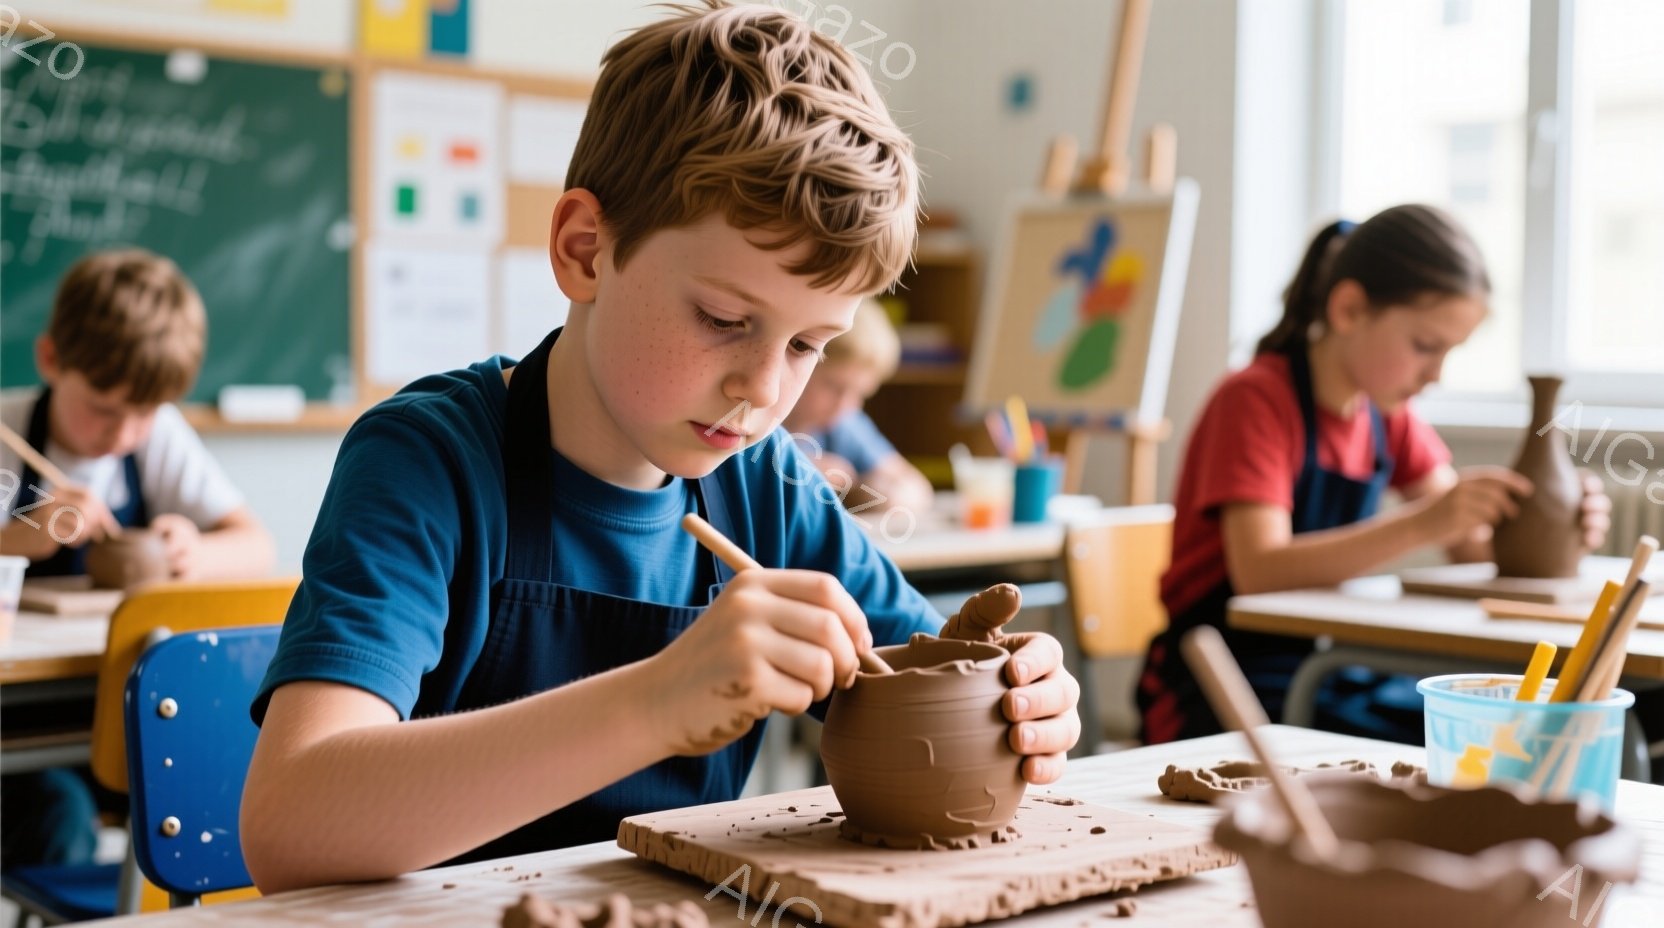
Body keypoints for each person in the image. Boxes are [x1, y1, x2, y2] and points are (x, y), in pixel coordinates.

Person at [241, 0, 1080, 893]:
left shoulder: (768, 489)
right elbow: (291, 825)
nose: (764, 390)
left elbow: (928, 670)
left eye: (807, 346)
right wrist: (655, 702)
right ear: (584, 250)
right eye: (724, 320)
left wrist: (1018, 697)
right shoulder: (428, 464)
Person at [1137, 205, 1611, 745]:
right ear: (1349, 309)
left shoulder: (1387, 417)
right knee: (1439, 743)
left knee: (1487, 720)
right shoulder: (1255, 400)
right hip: (1218, 673)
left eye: (1448, 353)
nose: (1436, 374)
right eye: (1425, 347)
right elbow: (1259, 571)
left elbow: (1473, 548)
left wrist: (1563, 528)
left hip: (1326, 662)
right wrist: (1423, 524)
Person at [0, 247, 275, 865]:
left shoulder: (159, 438)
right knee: (57, 820)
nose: (122, 434)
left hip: (134, 708)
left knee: (224, 784)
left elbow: (256, 543)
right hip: (25, 717)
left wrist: (193, 552)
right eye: (102, 408)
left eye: (142, 414)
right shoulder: (8, 433)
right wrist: (21, 535)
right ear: (51, 360)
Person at [782, 298, 934, 516]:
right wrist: (796, 470)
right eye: (833, 387)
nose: (843, 404)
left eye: (860, 394)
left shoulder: (844, 423)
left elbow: (915, 487)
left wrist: (865, 491)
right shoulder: (761, 423)